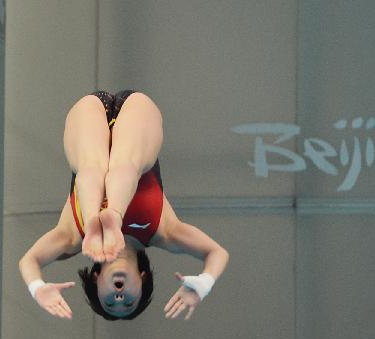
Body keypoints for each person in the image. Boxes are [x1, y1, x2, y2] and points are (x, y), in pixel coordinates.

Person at [18, 90, 229, 320]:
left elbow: (30, 260)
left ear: (96, 281)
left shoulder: (71, 238)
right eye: (129, 302)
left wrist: (37, 288)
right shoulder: (163, 232)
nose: (119, 299)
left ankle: (93, 222)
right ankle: (113, 216)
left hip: (90, 114)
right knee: (126, 165)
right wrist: (204, 283)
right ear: (143, 278)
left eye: (109, 302)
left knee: (90, 168)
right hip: (136, 116)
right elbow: (216, 252)